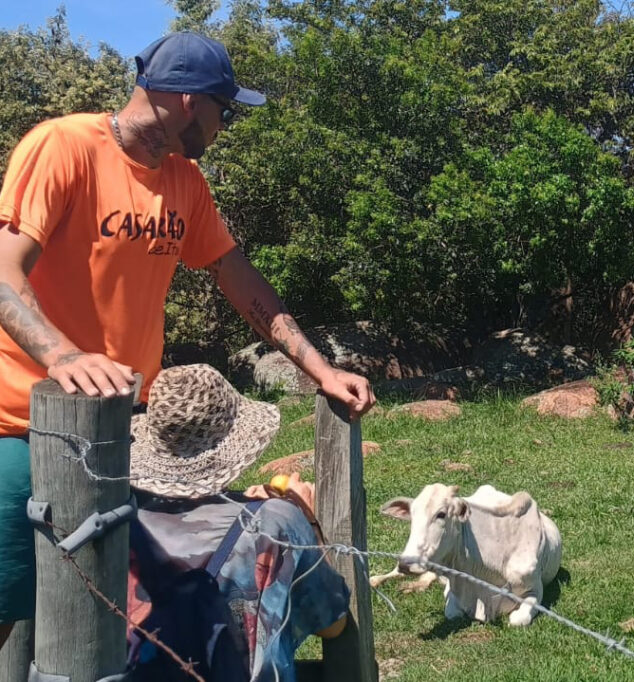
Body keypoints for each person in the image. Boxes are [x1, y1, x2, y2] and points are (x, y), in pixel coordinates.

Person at [0, 31, 375, 650]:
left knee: (110, 615)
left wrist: (319, 369)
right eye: (224, 111)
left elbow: (237, 277)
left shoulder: (185, 182)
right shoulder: (63, 146)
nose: (225, 126)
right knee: (15, 609)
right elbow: (5, 271)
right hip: (21, 426)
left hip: (124, 431)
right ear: (187, 101)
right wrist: (63, 356)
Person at [125, 364, 349, 681]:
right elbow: (333, 624)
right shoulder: (275, 520)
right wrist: (305, 518)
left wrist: (246, 502)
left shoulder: (125, 519)